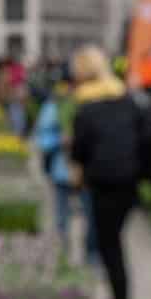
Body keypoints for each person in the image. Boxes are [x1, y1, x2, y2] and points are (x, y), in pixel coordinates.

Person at [70, 46, 145, 299]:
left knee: (108, 243)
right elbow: (149, 136)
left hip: (102, 181)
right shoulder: (126, 99)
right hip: (127, 180)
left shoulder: (86, 107)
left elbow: (80, 149)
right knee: (114, 240)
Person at [35, 82, 97, 266]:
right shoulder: (54, 107)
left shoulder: (91, 105)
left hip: (86, 173)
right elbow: (43, 139)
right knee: (62, 218)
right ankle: (63, 257)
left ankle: (91, 258)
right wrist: (60, 140)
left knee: (91, 217)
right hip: (62, 170)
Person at [0, 56, 28, 135]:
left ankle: (17, 134)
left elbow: (2, 85)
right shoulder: (15, 71)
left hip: (12, 98)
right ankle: (17, 133)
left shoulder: (7, 71)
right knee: (15, 117)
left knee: (15, 117)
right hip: (12, 99)